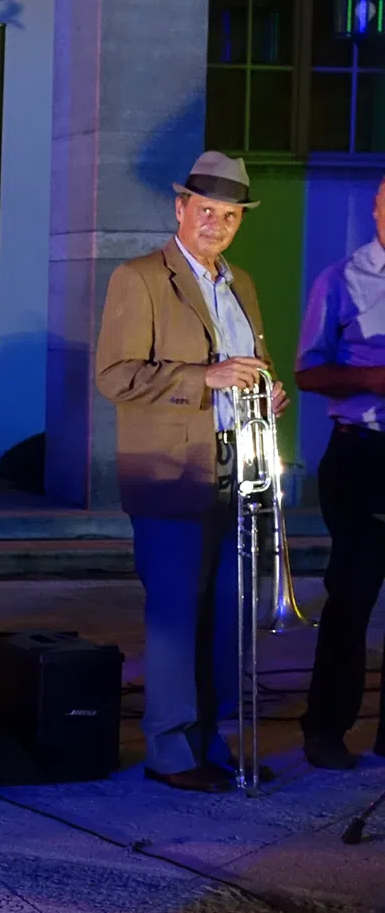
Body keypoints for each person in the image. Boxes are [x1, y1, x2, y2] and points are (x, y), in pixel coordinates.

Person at [96, 151, 289, 793]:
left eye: (229, 215)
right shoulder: (140, 277)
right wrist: (203, 378)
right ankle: (170, 753)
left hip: (238, 465)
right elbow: (114, 376)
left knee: (227, 616)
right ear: (180, 208)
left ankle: (210, 742)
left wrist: (265, 392)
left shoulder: (242, 284)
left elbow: (247, 366)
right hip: (170, 472)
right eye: (206, 210)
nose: (217, 224)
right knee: (177, 618)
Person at [294, 173, 385, 769]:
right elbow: (307, 371)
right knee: (352, 599)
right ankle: (325, 729)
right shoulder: (342, 278)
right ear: (377, 210)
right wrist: (374, 379)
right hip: (363, 454)